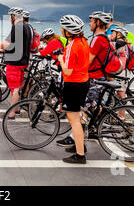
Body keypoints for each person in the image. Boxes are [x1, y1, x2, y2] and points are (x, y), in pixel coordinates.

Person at [57, 11, 110, 147]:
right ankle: (80, 141)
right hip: (86, 78)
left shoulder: (96, 39)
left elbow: (86, 61)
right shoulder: (86, 40)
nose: (90, 23)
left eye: (92, 21)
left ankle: (78, 143)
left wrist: (62, 60)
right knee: (83, 111)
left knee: (80, 113)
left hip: (86, 78)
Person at [56, 15, 90, 164]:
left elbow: (68, 71)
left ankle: (80, 155)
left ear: (68, 31)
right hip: (83, 81)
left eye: (63, 28)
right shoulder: (84, 42)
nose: (61, 30)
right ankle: (80, 145)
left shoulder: (72, 45)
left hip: (73, 83)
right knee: (79, 115)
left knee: (73, 119)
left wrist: (61, 59)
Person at [0, 7, 32, 120]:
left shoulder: (17, 27)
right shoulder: (26, 27)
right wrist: (5, 49)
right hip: (23, 61)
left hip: (15, 62)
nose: (9, 19)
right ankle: (16, 109)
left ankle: (11, 114)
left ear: (13, 16)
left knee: (14, 88)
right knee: (17, 86)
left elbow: (6, 43)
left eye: (9, 16)